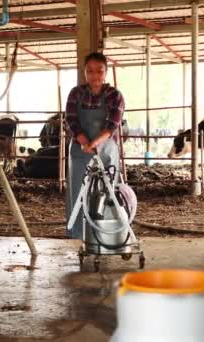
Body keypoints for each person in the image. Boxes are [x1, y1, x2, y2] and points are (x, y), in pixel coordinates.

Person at [65, 52, 125, 239]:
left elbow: (112, 125)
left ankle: (107, 233)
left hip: (105, 147)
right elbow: (71, 119)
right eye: (90, 71)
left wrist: (95, 143)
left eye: (99, 71)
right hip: (80, 148)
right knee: (78, 188)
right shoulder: (76, 93)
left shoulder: (115, 95)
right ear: (84, 73)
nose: (95, 76)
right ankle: (79, 233)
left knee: (108, 190)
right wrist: (83, 141)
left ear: (106, 72)